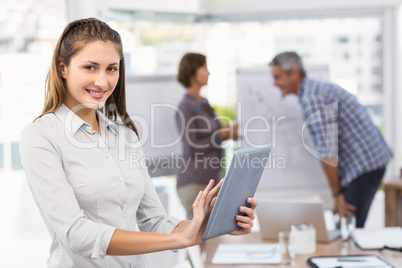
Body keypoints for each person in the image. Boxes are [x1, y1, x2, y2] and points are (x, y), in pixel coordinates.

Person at [19, 18, 257, 267]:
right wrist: (182, 239)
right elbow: (76, 235)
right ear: (62, 68)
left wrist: (214, 223)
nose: (102, 82)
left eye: (111, 68)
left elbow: (154, 219)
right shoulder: (41, 137)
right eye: (90, 67)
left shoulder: (125, 134)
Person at [268, 51, 392, 228]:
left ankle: (349, 255)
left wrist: (337, 195)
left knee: (347, 227)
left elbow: (327, 152)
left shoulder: (313, 96)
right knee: (346, 226)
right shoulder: (312, 91)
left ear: (293, 73)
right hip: (367, 163)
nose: (275, 83)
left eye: (277, 77)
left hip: (365, 166)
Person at [176, 52, 239, 220]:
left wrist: (229, 131)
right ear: (192, 73)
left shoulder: (203, 103)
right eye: (204, 68)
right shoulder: (186, 106)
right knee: (204, 240)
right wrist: (222, 134)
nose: (208, 72)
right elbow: (192, 147)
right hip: (194, 184)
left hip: (209, 181)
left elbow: (213, 134)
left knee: (215, 237)